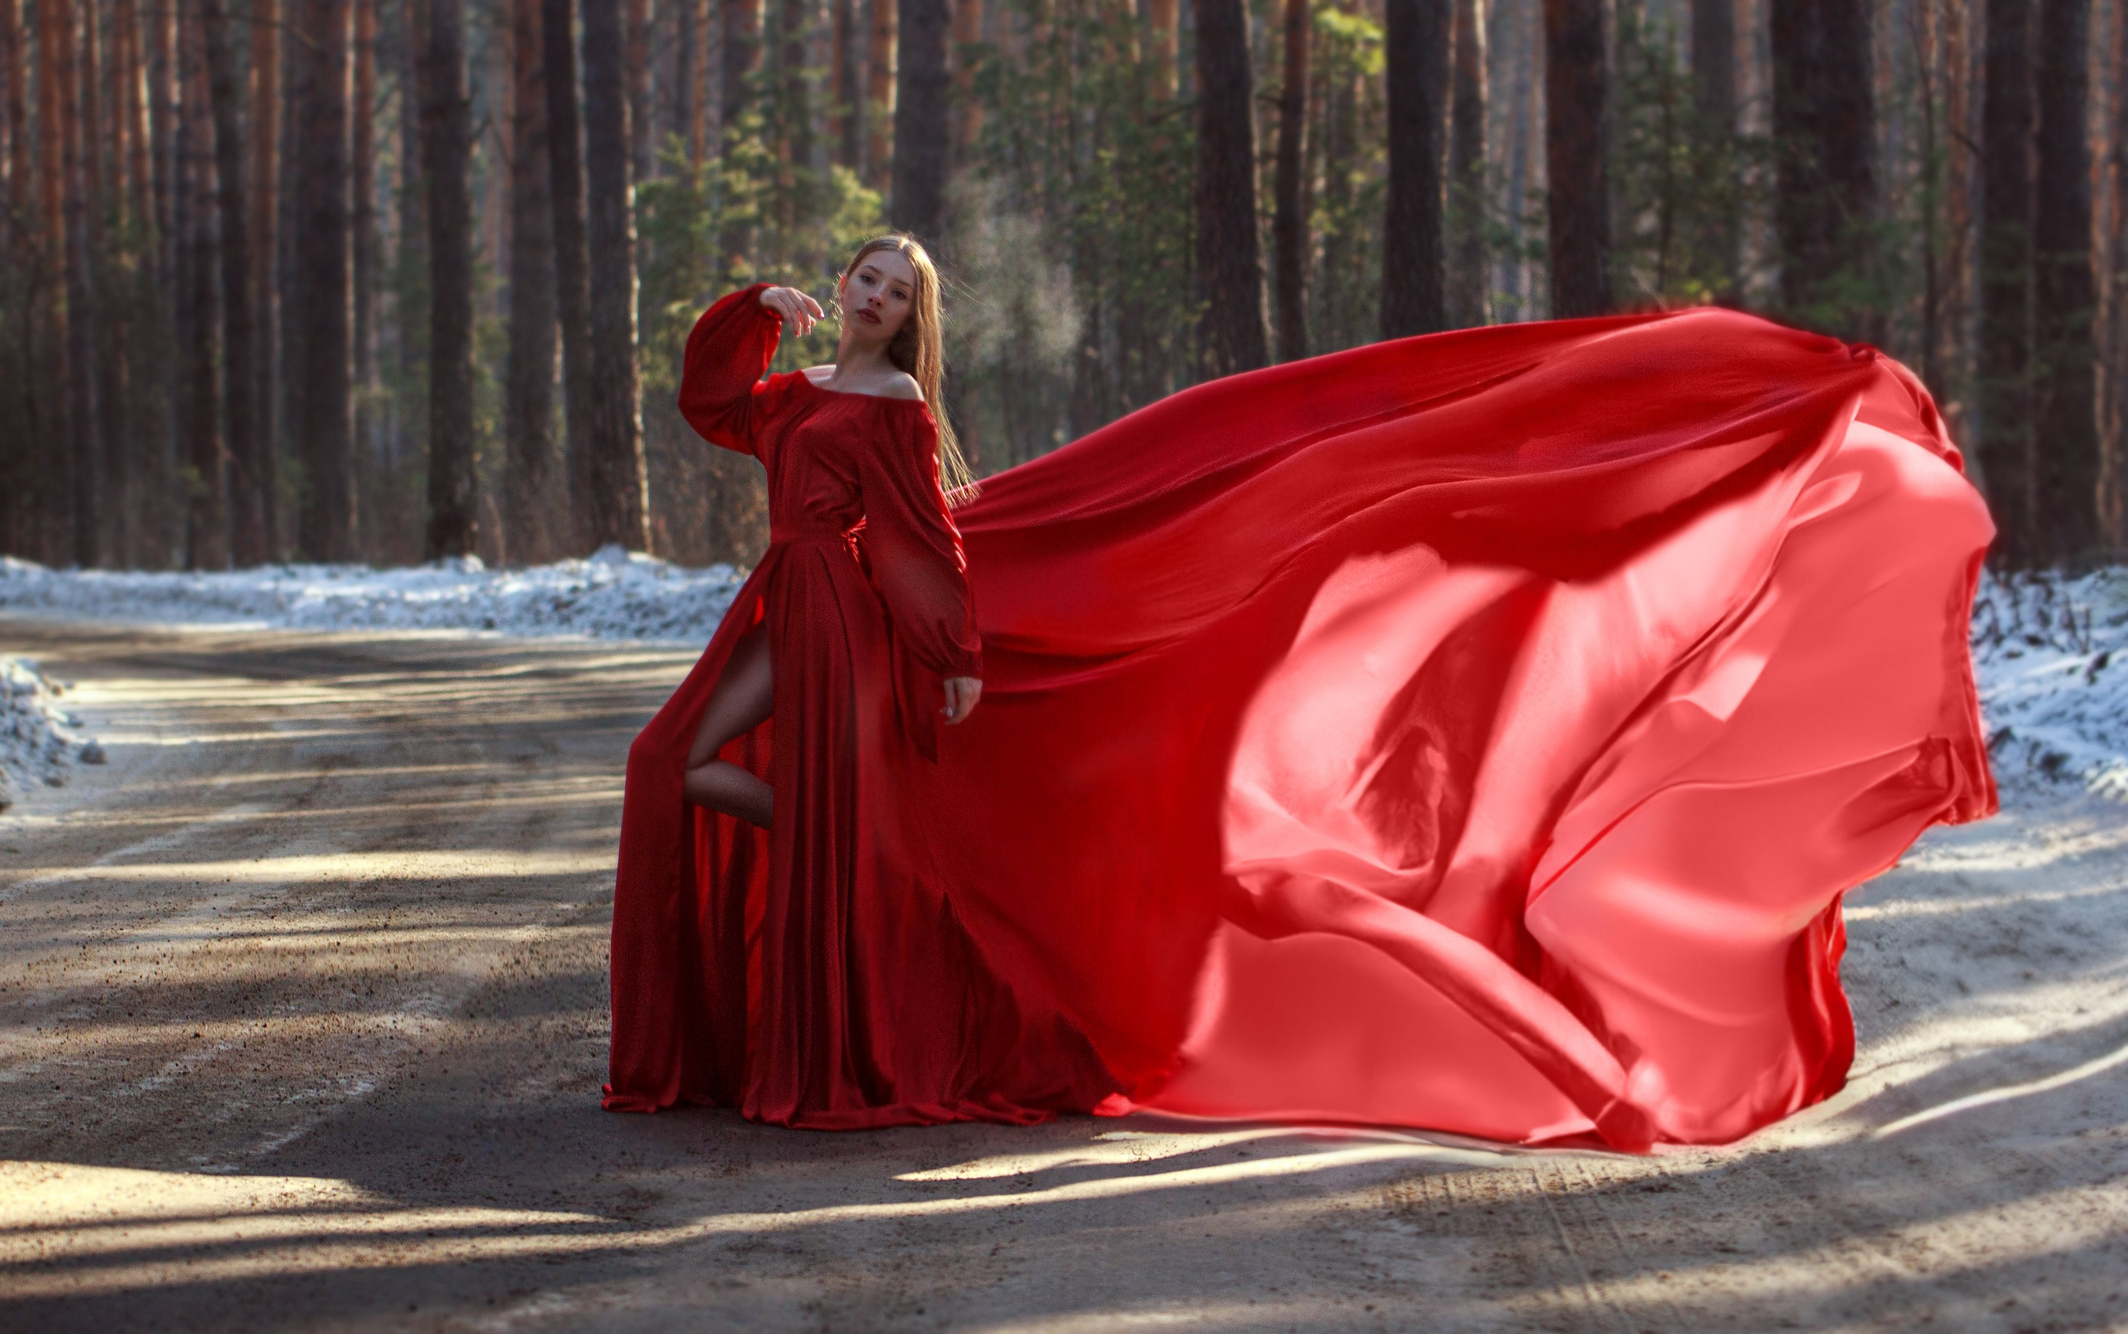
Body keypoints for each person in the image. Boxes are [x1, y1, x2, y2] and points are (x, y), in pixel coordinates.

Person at [607, 239, 1997, 1149]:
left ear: (916, 321)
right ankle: (825, 958)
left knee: (771, 789)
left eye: (891, 291)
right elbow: (715, 404)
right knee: (674, 767)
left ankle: (855, 1000)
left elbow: (925, 540)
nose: (867, 296)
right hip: (778, 604)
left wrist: (957, 650)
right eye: (858, 278)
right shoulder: (797, 398)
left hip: (851, 620)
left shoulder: (897, 415)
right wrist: (745, 311)